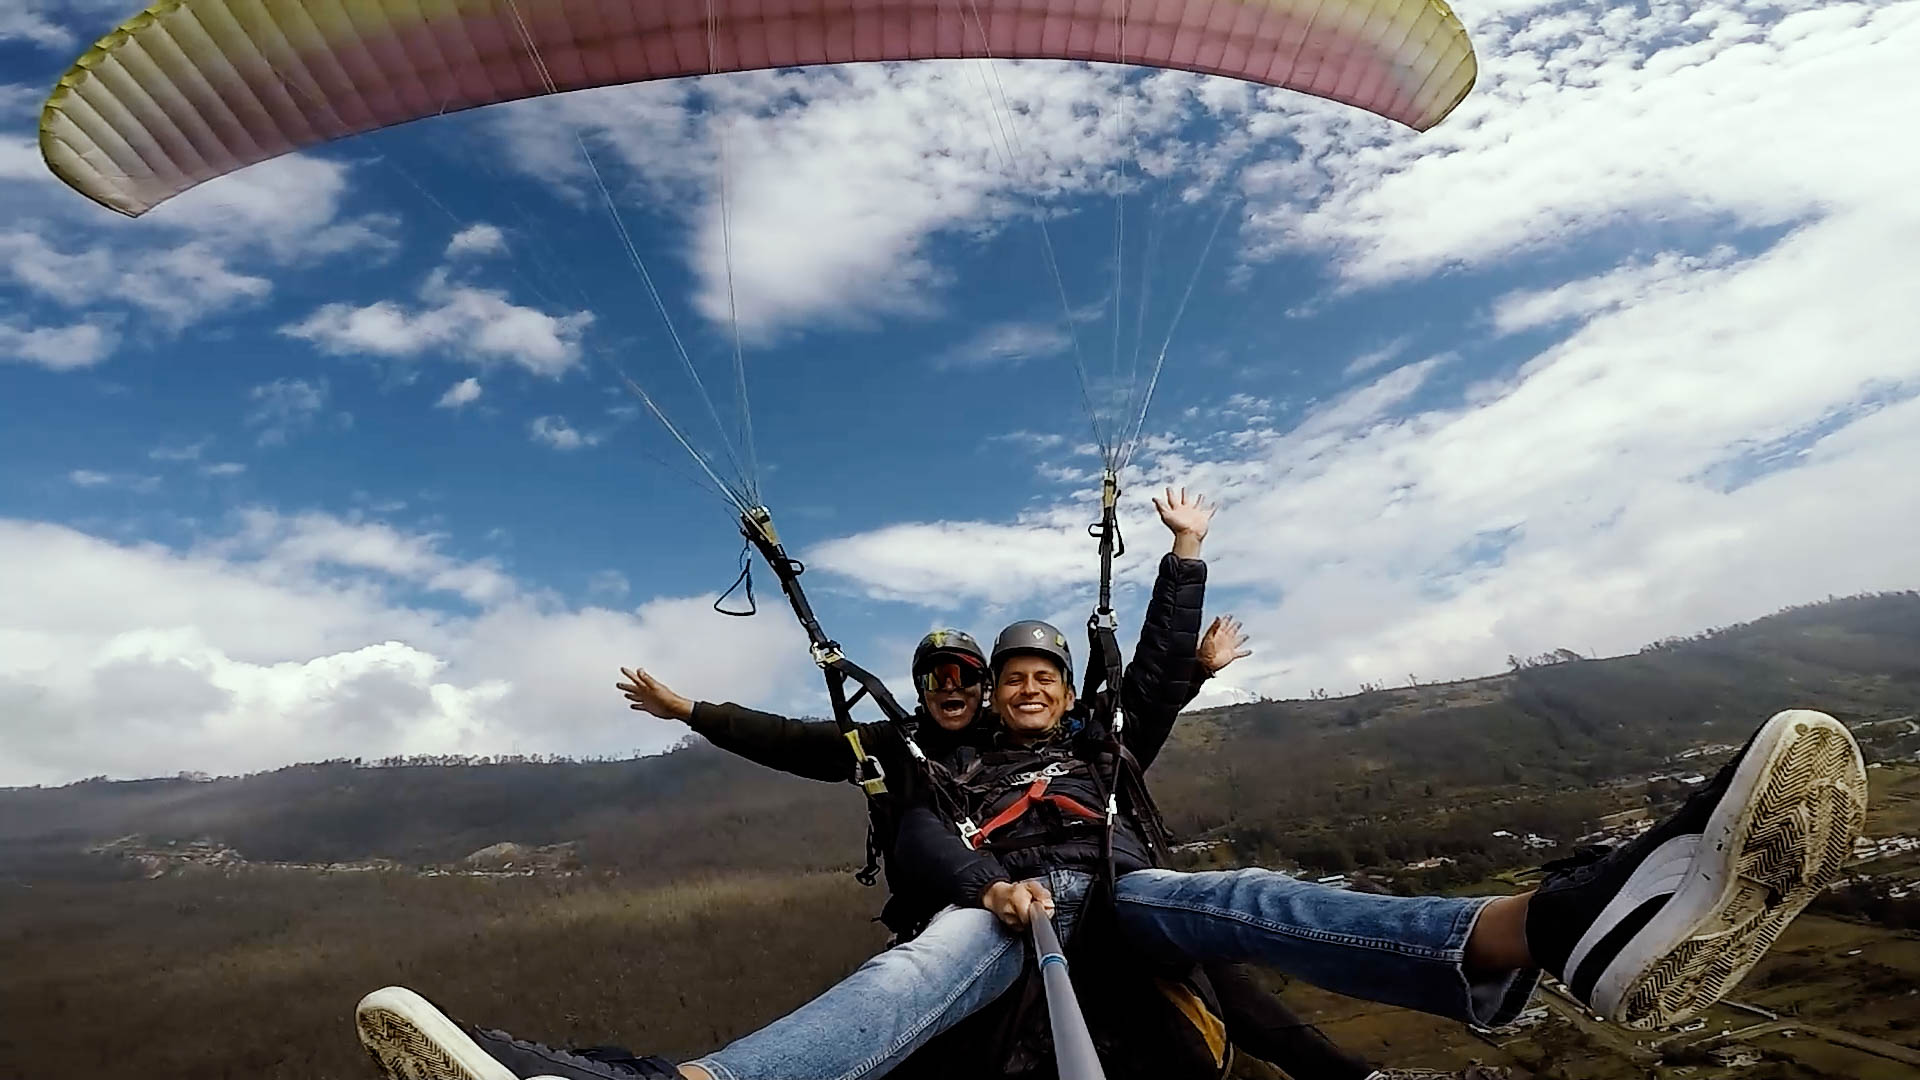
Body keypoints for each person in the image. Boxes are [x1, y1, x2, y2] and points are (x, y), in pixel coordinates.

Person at [357, 490, 1867, 1080]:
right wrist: (693, 706)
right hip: (1005, 904)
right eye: (991, 685)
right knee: (923, 975)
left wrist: (1185, 560)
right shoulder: (926, 769)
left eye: (1024, 684)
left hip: (1122, 891)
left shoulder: (1098, 744)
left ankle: (1579, 930)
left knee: (1251, 907)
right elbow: (873, 794)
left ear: (1055, 696)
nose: (1006, 697)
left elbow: (1142, 685)